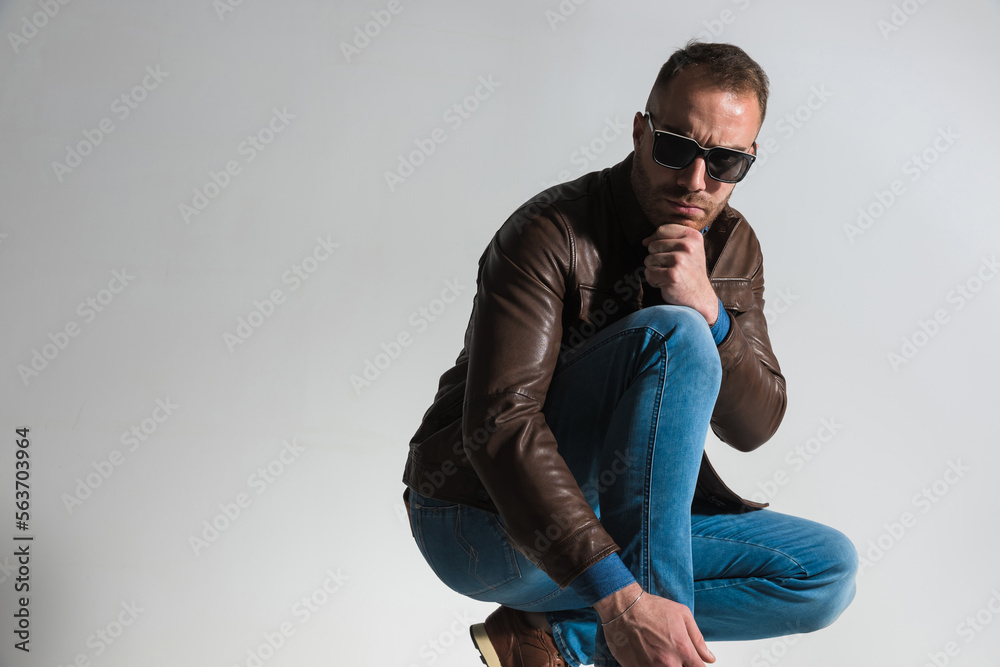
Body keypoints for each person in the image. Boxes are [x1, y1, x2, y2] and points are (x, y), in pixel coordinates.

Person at [402, 41, 857, 667]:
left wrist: (711, 311)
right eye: (676, 148)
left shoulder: (731, 245)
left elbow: (754, 426)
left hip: (610, 526)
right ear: (641, 131)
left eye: (725, 162)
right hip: (479, 522)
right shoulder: (549, 231)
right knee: (674, 335)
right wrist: (620, 600)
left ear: (749, 158)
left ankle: (554, 639)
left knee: (825, 572)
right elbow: (501, 426)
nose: (696, 181)